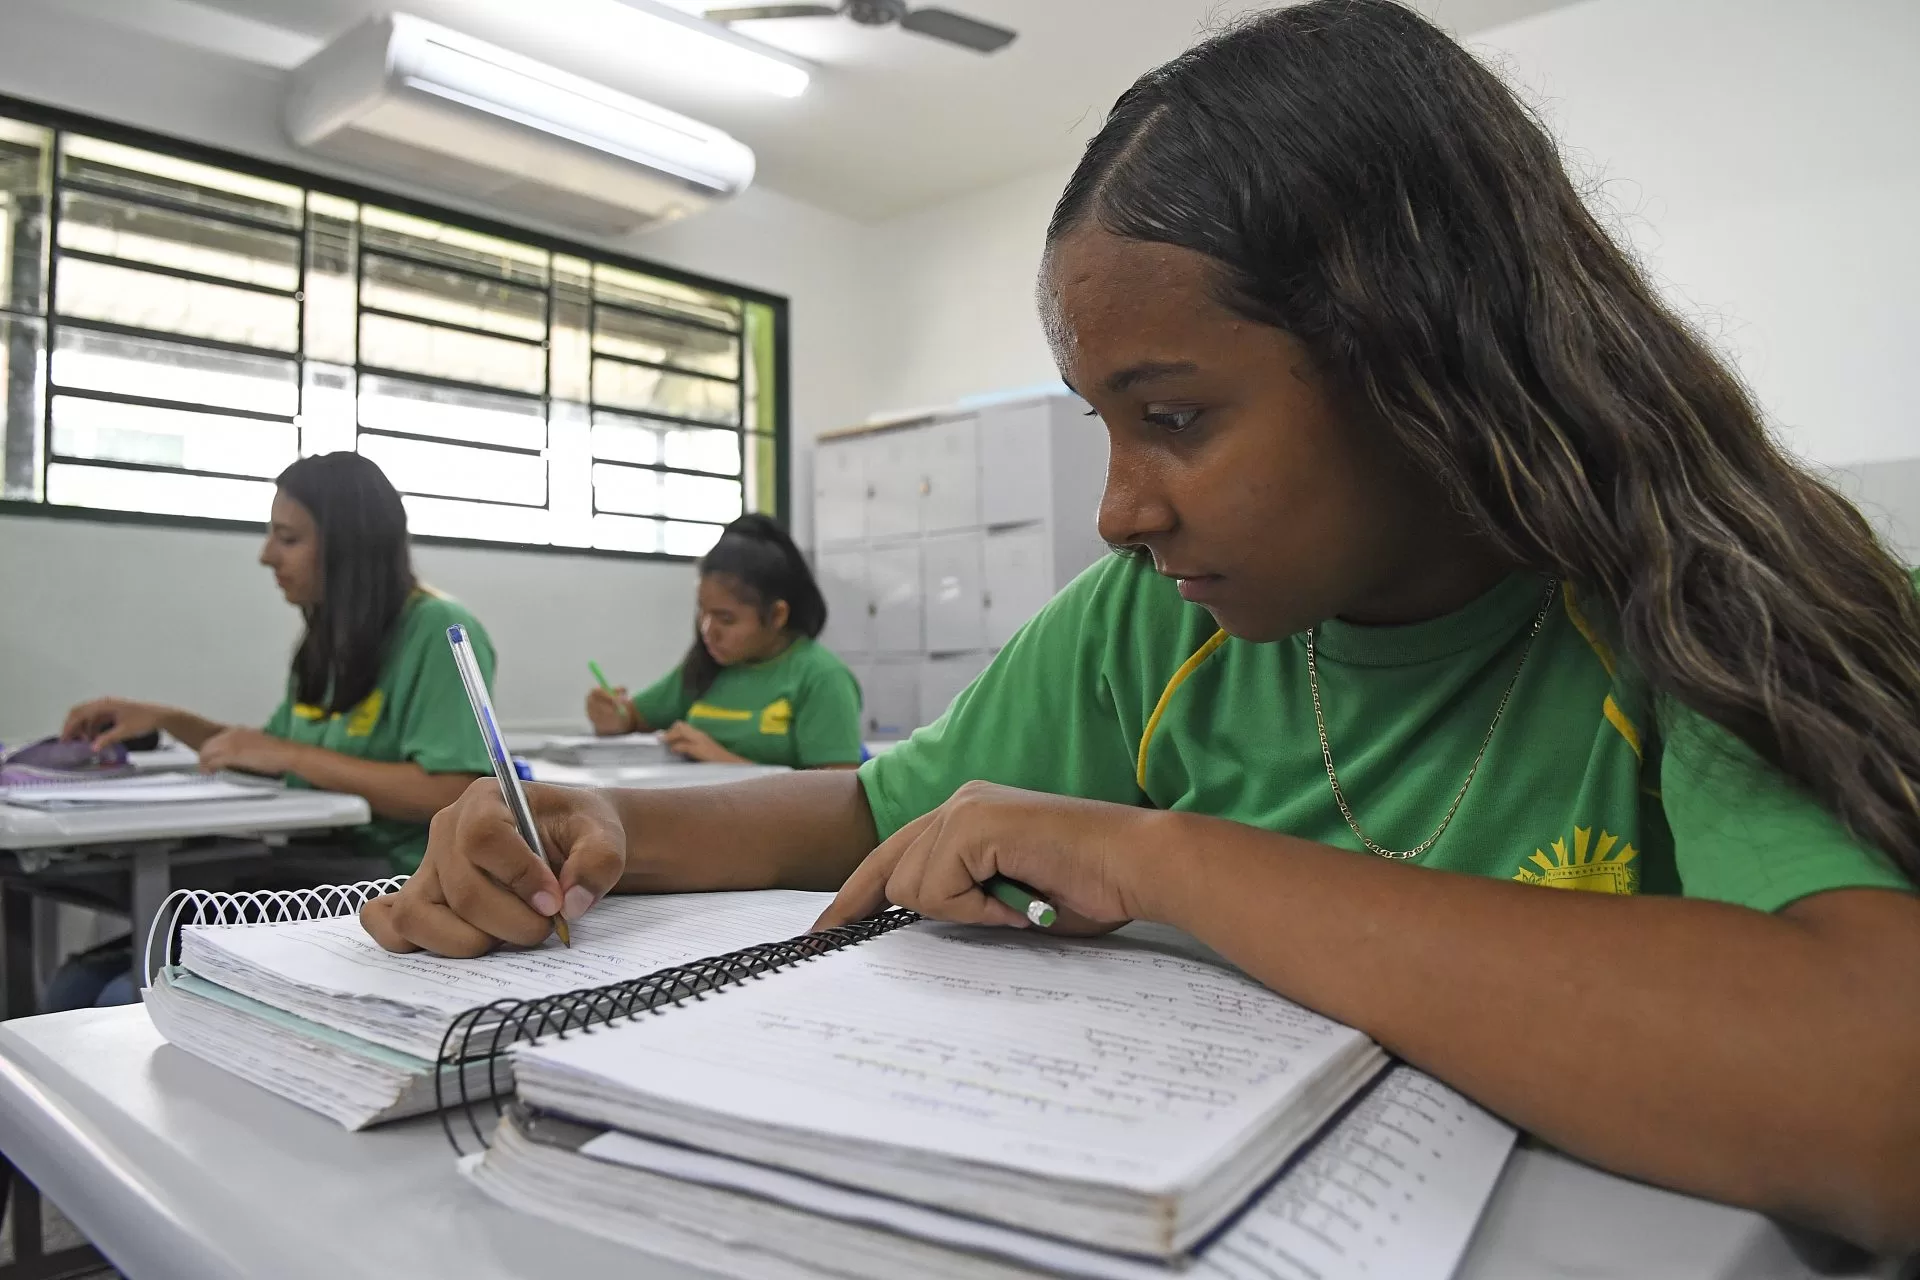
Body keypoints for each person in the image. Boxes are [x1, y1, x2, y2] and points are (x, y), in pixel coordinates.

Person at [362, 0, 1920, 1253]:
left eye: (1172, 416)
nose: (1119, 511)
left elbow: (1875, 1101)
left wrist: (1173, 857)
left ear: (1423, 360)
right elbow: (877, 812)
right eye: (1105, 424)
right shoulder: (1150, 623)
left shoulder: (1701, 592)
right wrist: (606, 822)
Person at [65, 450, 496, 879]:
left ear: (350, 547)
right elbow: (260, 752)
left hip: (400, 879)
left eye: (288, 539)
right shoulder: (330, 639)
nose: (267, 555)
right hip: (322, 858)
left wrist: (291, 756)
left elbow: (452, 790)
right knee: (120, 877)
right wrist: (164, 720)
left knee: (180, 896)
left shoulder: (439, 629)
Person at [583, 513, 862, 770]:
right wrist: (612, 716)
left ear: (777, 615)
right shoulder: (706, 667)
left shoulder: (822, 678)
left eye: (726, 619)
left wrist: (724, 761)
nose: (707, 630)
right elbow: (634, 718)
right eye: (702, 612)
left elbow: (837, 794)